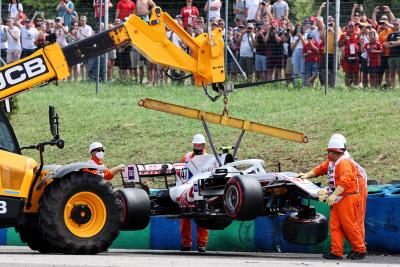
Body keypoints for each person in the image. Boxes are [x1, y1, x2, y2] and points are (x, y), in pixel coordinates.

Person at [297, 135, 367, 260]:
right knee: (335, 226)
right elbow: (320, 169)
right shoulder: (332, 162)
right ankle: (336, 252)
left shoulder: (344, 163)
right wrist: (307, 175)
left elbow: (346, 181)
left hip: (347, 198)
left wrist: (334, 194)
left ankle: (360, 250)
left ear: (335, 152)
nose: (328, 154)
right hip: (338, 198)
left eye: (329, 151)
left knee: (349, 225)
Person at [180, 134, 208, 253]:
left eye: (199, 145)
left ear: (203, 146)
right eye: (195, 145)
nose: (197, 148)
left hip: (202, 189)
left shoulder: (209, 158)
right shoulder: (186, 158)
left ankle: (202, 244)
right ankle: (186, 243)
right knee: (185, 217)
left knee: (202, 217)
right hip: (187, 189)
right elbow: (180, 173)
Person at [338, 22, 360, 87]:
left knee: (356, 72)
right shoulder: (343, 35)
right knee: (347, 72)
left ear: (354, 27)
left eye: (352, 26)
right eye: (350, 26)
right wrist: (344, 40)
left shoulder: (357, 34)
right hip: (346, 57)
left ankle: (355, 86)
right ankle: (348, 86)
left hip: (355, 56)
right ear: (347, 27)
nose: (351, 28)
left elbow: (360, 44)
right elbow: (339, 45)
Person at [383, 19, 400, 89]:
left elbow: (399, 43)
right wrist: (395, 43)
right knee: (392, 73)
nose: (395, 25)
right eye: (394, 24)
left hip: (399, 56)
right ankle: (392, 87)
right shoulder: (390, 34)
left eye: (397, 24)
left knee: (399, 72)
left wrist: (392, 43)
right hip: (391, 56)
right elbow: (385, 45)